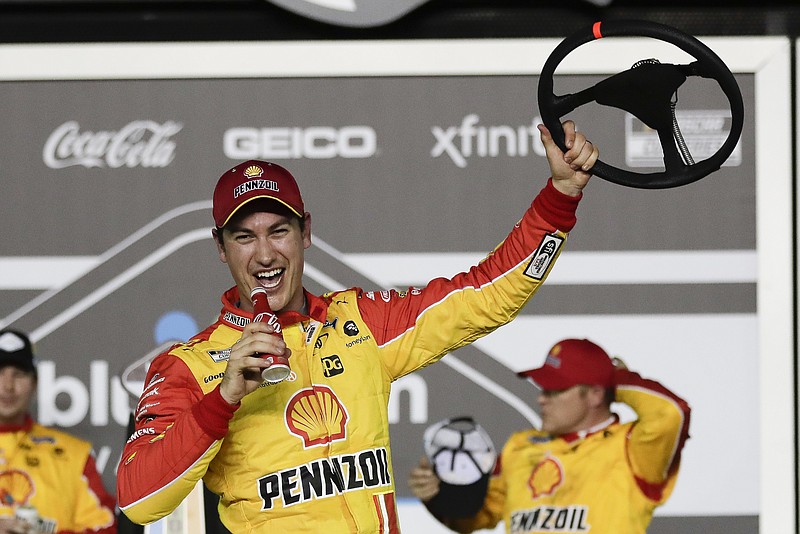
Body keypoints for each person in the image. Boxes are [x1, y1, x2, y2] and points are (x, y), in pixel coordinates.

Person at [116, 121, 598, 532]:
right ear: (221, 248)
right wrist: (222, 400)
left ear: (306, 231)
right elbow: (138, 500)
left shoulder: (359, 322)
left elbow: (484, 295)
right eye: (244, 237)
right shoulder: (187, 366)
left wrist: (560, 198)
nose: (264, 254)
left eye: (278, 231)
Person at [408, 338, 692, 534]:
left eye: (555, 390)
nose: (542, 399)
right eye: (543, 389)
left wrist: (616, 380)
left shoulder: (632, 447)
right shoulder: (520, 446)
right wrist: (439, 497)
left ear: (594, 394)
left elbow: (671, 414)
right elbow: (475, 517)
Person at [0, 329, 117, 534]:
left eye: (18, 374)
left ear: (35, 384)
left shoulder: (74, 455)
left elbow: (105, 527)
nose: (8, 385)